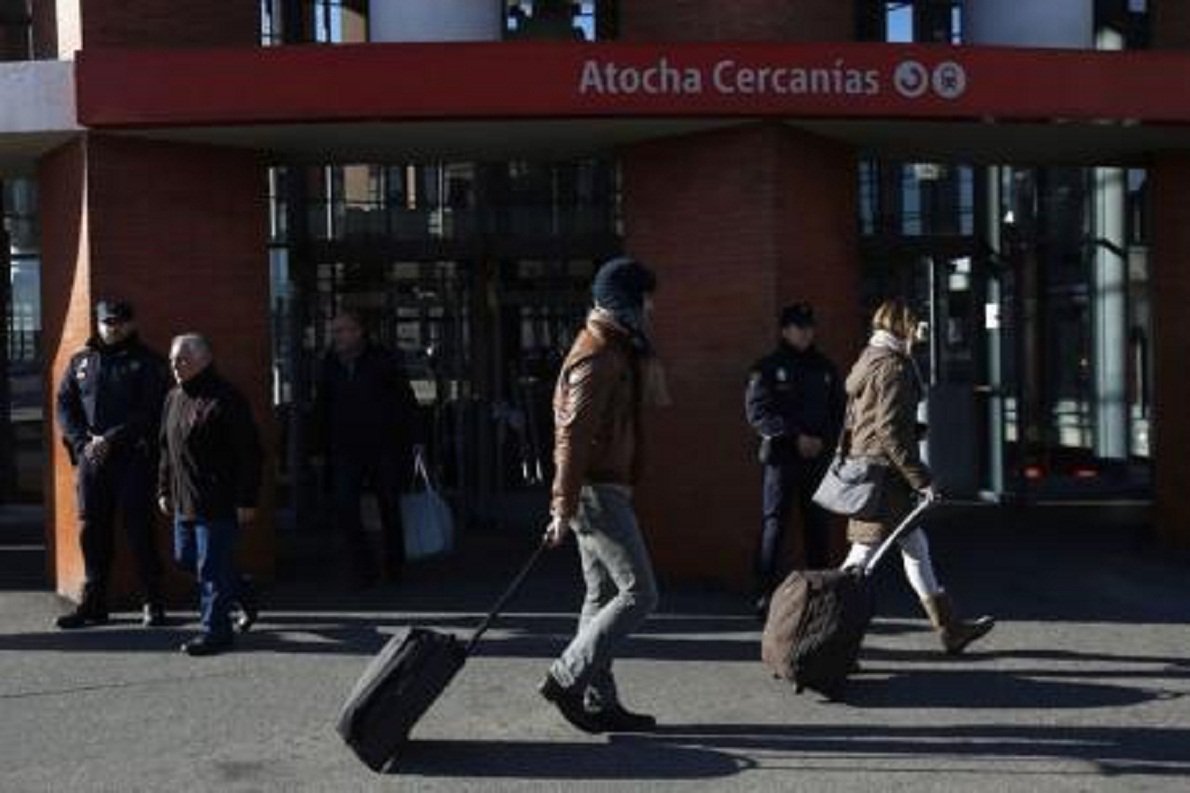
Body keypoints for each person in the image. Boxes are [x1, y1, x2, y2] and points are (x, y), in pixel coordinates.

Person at [539, 256, 663, 734]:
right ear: (625, 303)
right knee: (641, 592)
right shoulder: (597, 355)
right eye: (645, 300)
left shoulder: (618, 347)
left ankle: (598, 699)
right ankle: (568, 677)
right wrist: (561, 507)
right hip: (595, 494)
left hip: (605, 488)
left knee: (602, 594)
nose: (651, 309)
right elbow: (571, 436)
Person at [839, 298, 994, 654]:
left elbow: (873, 420)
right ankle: (830, 631)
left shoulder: (870, 358)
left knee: (915, 548)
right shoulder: (892, 366)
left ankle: (950, 627)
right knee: (860, 559)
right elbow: (889, 430)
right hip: (884, 477)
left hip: (874, 471)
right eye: (914, 324)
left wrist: (912, 429)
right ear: (900, 326)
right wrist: (921, 479)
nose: (919, 332)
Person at [54, 299, 169, 629]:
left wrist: (111, 439)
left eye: (119, 321)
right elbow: (65, 405)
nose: (112, 327)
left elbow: (151, 410)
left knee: (139, 530)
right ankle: (94, 604)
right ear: (98, 322)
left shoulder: (148, 363)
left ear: (131, 324)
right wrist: (82, 443)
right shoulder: (81, 361)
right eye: (107, 322)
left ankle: (152, 601)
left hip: (132, 457)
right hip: (92, 460)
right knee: (93, 531)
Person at [158, 334, 262, 657]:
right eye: (173, 359)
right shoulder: (173, 398)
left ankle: (215, 632)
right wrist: (164, 488)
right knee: (186, 558)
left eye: (183, 359)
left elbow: (250, 453)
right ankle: (243, 592)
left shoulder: (225, 398)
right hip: (184, 498)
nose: (176, 365)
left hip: (217, 499)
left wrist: (247, 499)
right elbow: (166, 448)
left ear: (204, 359)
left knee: (211, 569)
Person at [746, 302, 845, 616]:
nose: (805, 333)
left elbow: (839, 412)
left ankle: (822, 593)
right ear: (785, 330)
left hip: (817, 459)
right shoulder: (767, 368)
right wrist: (794, 436)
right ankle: (764, 593)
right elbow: (758, 413)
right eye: (798, 327)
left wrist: (822, 440)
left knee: (818, 526)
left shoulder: (825, 368)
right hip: (782, 458)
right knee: (775, 523)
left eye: (809, 327)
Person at [315, 311, 421, 586]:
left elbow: (405, 402)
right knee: (345, 507)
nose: (336, 337)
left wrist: (411, 440)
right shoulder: (331, 364)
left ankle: (394, 565)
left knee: (389, 505)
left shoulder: (382, 360)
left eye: (342, 331)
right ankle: (362, 568)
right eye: (334, 331)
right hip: (345, 448)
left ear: (358, 332)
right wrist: (319, 446)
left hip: (382, 446)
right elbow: (322, 406)